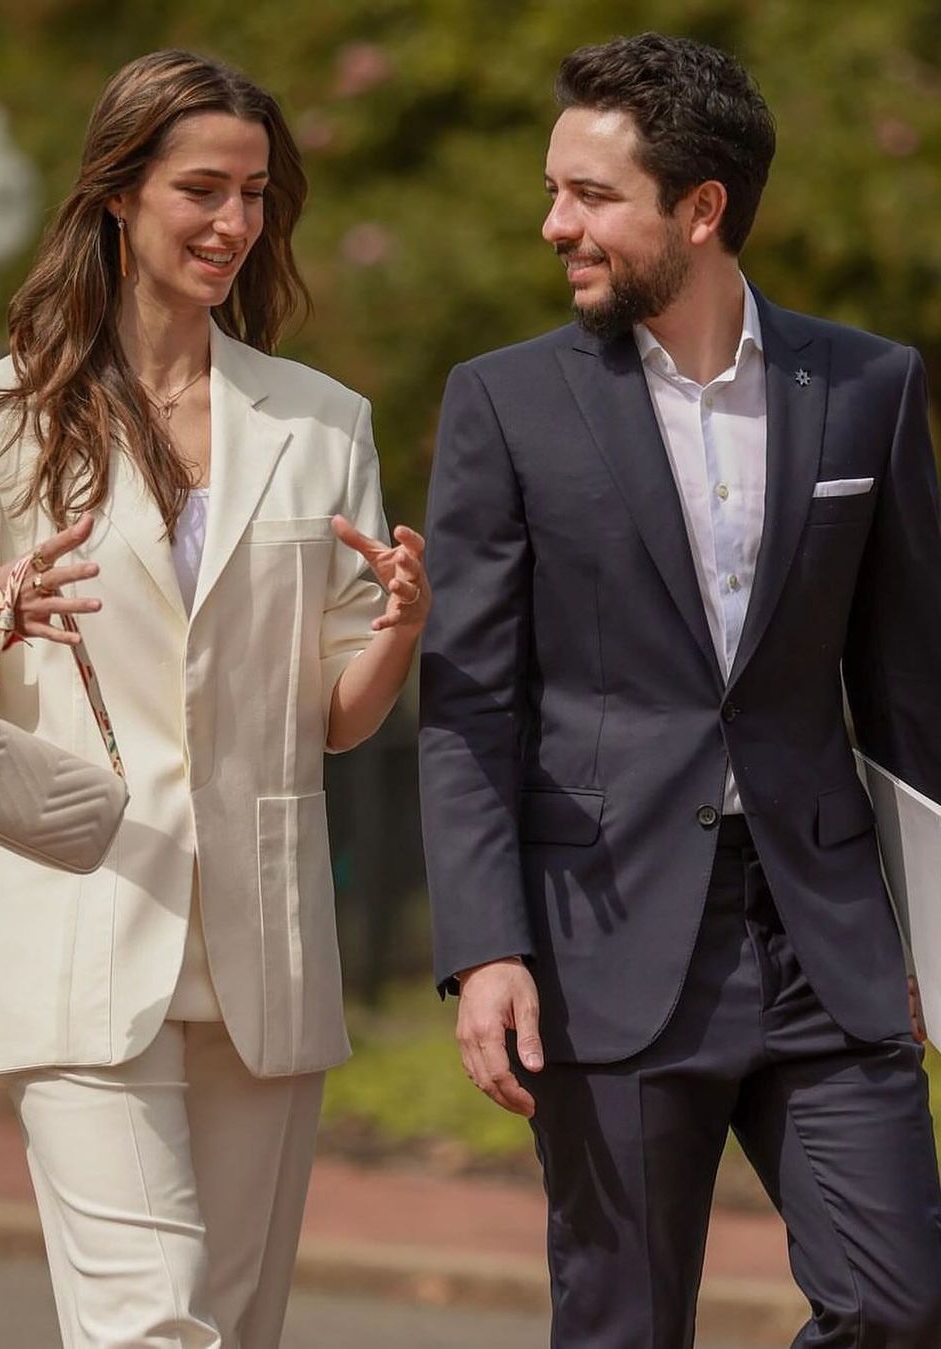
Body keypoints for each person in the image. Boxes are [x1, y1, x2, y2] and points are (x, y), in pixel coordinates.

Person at [0, 48, 429, 1349]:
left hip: (262, 955)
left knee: (235, 1327)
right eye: (202, 189)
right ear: (118, 194)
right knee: (148, 1331)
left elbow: (337, 713)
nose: (234, 222)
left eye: (255, 193)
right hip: (77, 924)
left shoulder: (322, 424)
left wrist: (397, 632)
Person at [419, 32, 941, 1348]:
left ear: (700, 209)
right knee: (622, 1325)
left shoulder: (869, 388)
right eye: (555, 190)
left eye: (591, 196)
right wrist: (486, 946)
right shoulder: (506, 405)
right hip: (605, 935)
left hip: (826, 936)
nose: (555, 224)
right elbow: (472, 702)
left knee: (902, 1300)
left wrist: (935, 931)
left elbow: (911, 689)